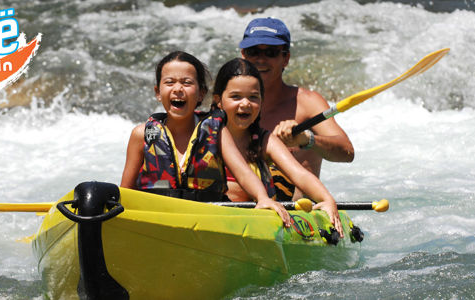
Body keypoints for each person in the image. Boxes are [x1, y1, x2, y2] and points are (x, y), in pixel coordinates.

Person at [120, 50, 291, 226]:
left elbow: (242, 171)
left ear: (201, 93)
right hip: (158, 221)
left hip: (206, 221)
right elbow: (125, 192)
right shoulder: (141, 135)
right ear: (158, 91)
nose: (178, 89)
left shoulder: (216, 132)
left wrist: (262, 197)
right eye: (169, 82)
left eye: (187, 83)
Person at [212, 58, 344, 236]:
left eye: (253, 97)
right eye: (236, 97)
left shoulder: (265, 140)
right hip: (213, 212)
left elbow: (300, 174)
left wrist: (327, 199)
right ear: (218, 100)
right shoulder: (205, 133)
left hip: (255, 218)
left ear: (261, 101)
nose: (245, 104)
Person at [238, 17, 354, 200]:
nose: (261, 60)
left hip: (298, 212)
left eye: (271, 52)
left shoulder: (307, 103)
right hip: (246, 207)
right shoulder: (228, 104)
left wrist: (307, 139)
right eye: (253, 52)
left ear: (286, 58)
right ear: (243, 55)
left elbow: (347, 152)